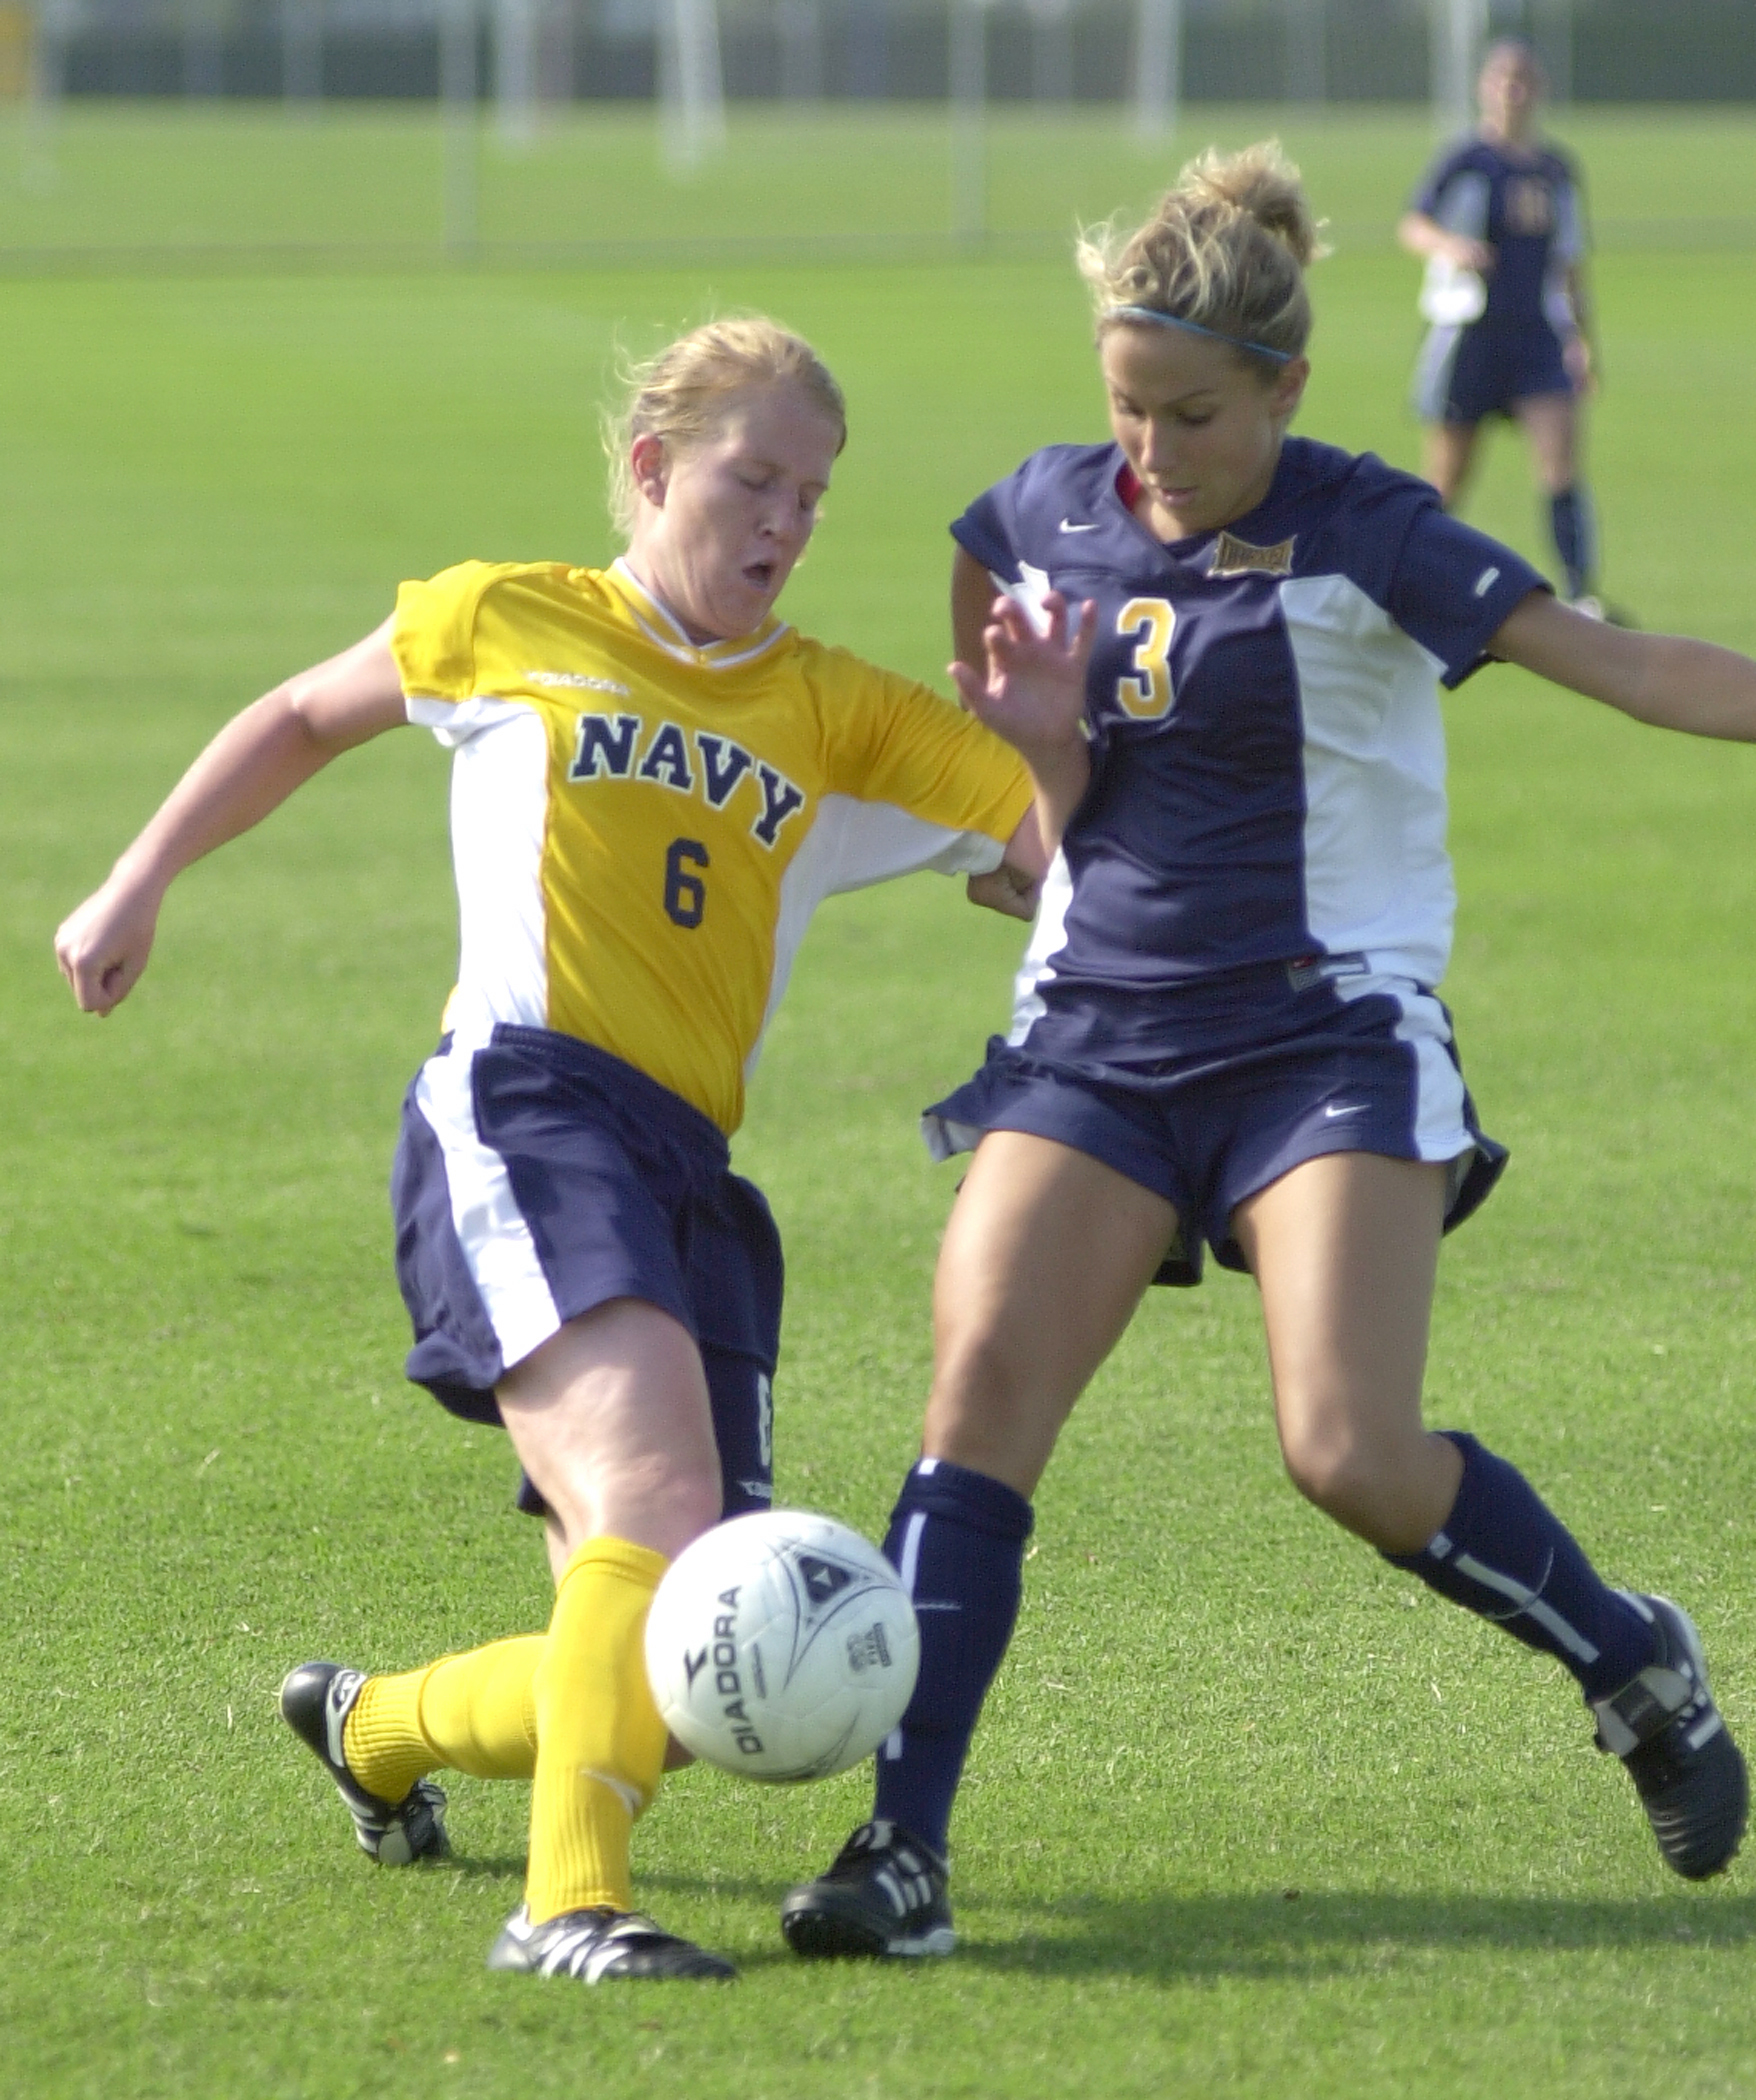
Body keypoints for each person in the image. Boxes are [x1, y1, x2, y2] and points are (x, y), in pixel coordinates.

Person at [780, 144, 1750, 1962]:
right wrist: (1038, 751)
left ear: (1288, 390)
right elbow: (1032, 837)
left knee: (1347, 1450)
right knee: (975, 1396)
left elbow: (1623, 669)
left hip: (1325, 1037)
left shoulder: (1375, 528)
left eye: (1195, 416)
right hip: (1097, 1036)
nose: (1151, 450)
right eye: (1127, 407)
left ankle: (1635, 1667)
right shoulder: (1029, 522)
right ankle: (899, 1850)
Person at [53, 317, 1042, 1985]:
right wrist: (138, 876)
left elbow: (1046, 826)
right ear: (653, 472)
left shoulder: (832, 711)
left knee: (674, 1671)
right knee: (656, 1508)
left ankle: (377, 1731)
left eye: (813, 492)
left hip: (693, 1180)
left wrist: (1058, 791)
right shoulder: (512, 616)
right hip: (524, 1110)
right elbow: (304, 712)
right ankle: (570, 1911)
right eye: (752, 478)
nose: (785, 519)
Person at [1399, 38, 1611, 614]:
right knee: (1446, 480)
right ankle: (1411, 586)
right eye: (1502, 80)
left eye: (1522, 80)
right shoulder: (1464, 160)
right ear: (1484, 89)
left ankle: (1578, 591)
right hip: (1470, 334)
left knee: (1561, 462)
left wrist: (1583, 342)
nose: (1512, 91)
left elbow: (1570, 262)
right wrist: (1451, 246)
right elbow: (1412, 224)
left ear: (1538, 90)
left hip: (1535, 336)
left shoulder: (1556, 169)